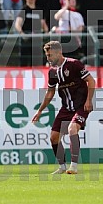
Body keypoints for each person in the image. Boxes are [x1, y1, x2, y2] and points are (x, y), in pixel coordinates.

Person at [32, 41, 95, 174]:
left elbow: (91, 80)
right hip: (66, 108)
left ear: (59, 53)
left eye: (50, 55)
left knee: (73, 129)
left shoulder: (74, 64)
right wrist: (40, 111)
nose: (48, 58)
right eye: (47, 56)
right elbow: (50, 92)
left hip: (81, 105)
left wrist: (89, 100)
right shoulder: (52, 72)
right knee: (54, 137)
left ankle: (74, 166)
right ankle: (62, 166)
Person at [15, 0, 48, 66]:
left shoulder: (39, 10)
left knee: (37, 61)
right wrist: (22, 34)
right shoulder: (23, 10)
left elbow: (43, 24)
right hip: (26, 39)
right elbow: (17, 24)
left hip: (37, 39)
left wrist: (46, 33)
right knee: (24, 61)